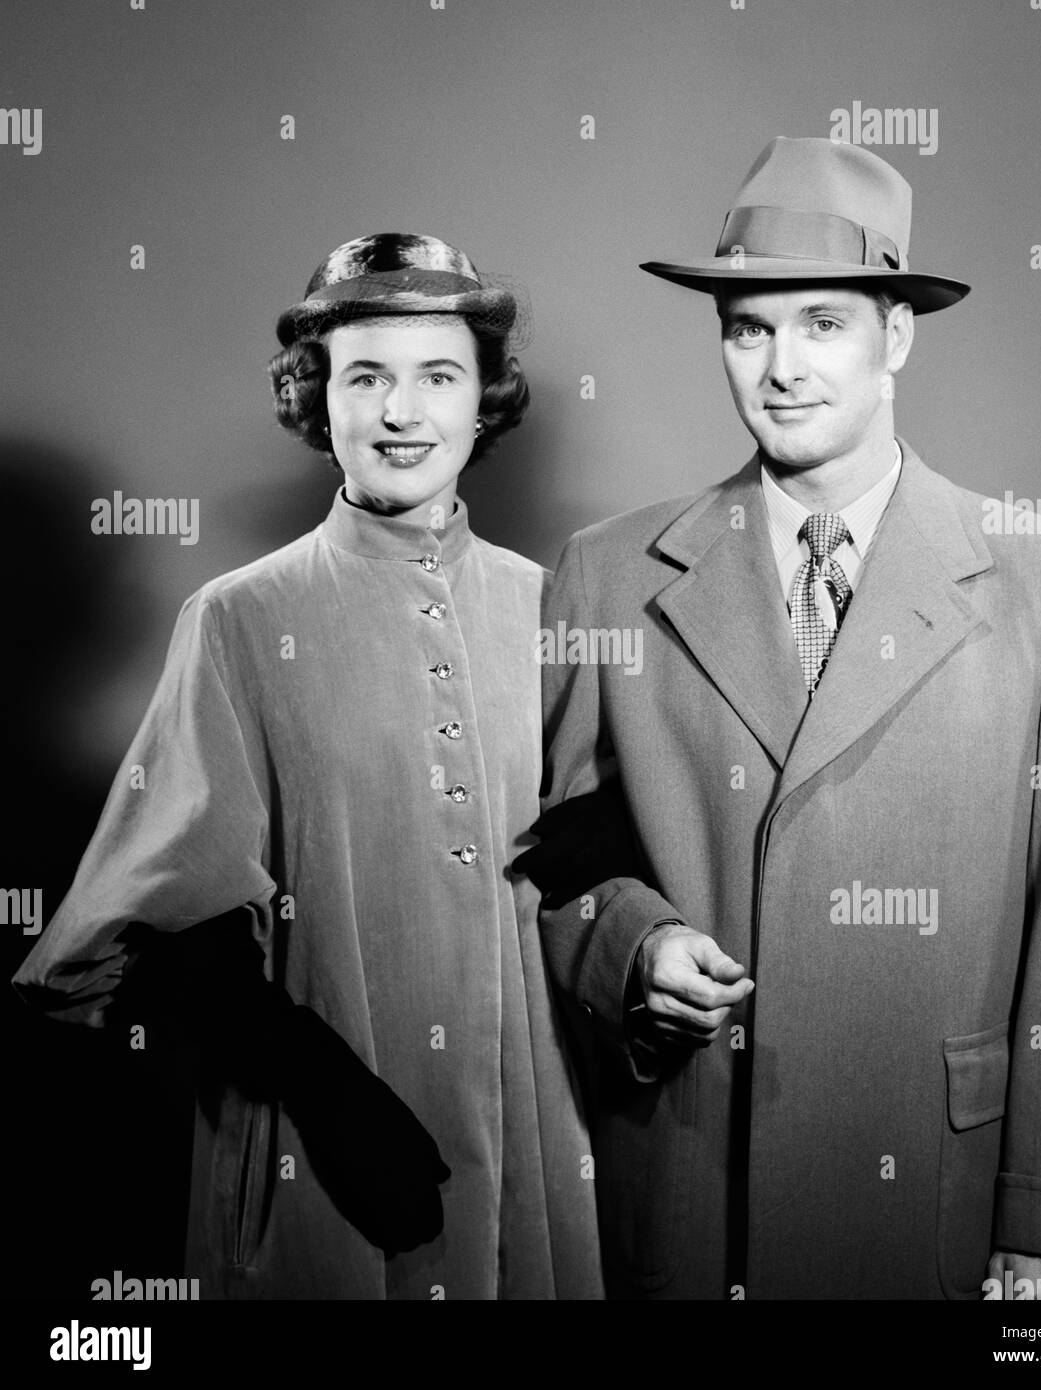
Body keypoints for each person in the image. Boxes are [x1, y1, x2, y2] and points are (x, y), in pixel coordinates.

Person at [520, 138, 1041, 1300]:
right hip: (678, 1184)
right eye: (747, 328)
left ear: (894, 336)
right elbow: (554, 849)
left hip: (934, 1200)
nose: (780, 367)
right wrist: (631, 948)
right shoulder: (605, 572)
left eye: (821, 322)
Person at [13, 232, 602, 1301]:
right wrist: (328, 1094)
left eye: (437, 377)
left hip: (532, 1136)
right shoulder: (240, 617)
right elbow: (174, 917)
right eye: (364, 376)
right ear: (314, 398)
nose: (399, 413)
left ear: (485, 401)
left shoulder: (550, 607)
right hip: (316, 1146)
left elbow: (587, 878)